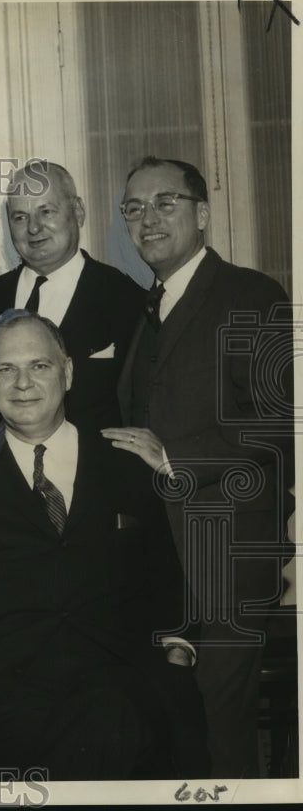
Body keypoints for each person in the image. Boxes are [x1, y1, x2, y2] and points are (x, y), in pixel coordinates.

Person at [0, 310, 206, 781]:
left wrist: (175, 664)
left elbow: (169, 587)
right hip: (15, 711)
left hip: (128, 702)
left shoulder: (126, 464)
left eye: (39, 366)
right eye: (6, 369)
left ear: (69, 372)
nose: (22, 384)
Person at [108, 156, 294, 777]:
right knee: (173, 730)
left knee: (223, 733)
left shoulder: (253, 294)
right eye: (134, 208)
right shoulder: (147, 307)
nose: (148, 219)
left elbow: (273, 423)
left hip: (229, 552)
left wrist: (173, 456)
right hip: (162, 559)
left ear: (203, 215)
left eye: (166, 203)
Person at [0, 160, 143, 434]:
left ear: (78, 211)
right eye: (20, 217)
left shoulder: (127, 298)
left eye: (46, 211)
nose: (33, 228)